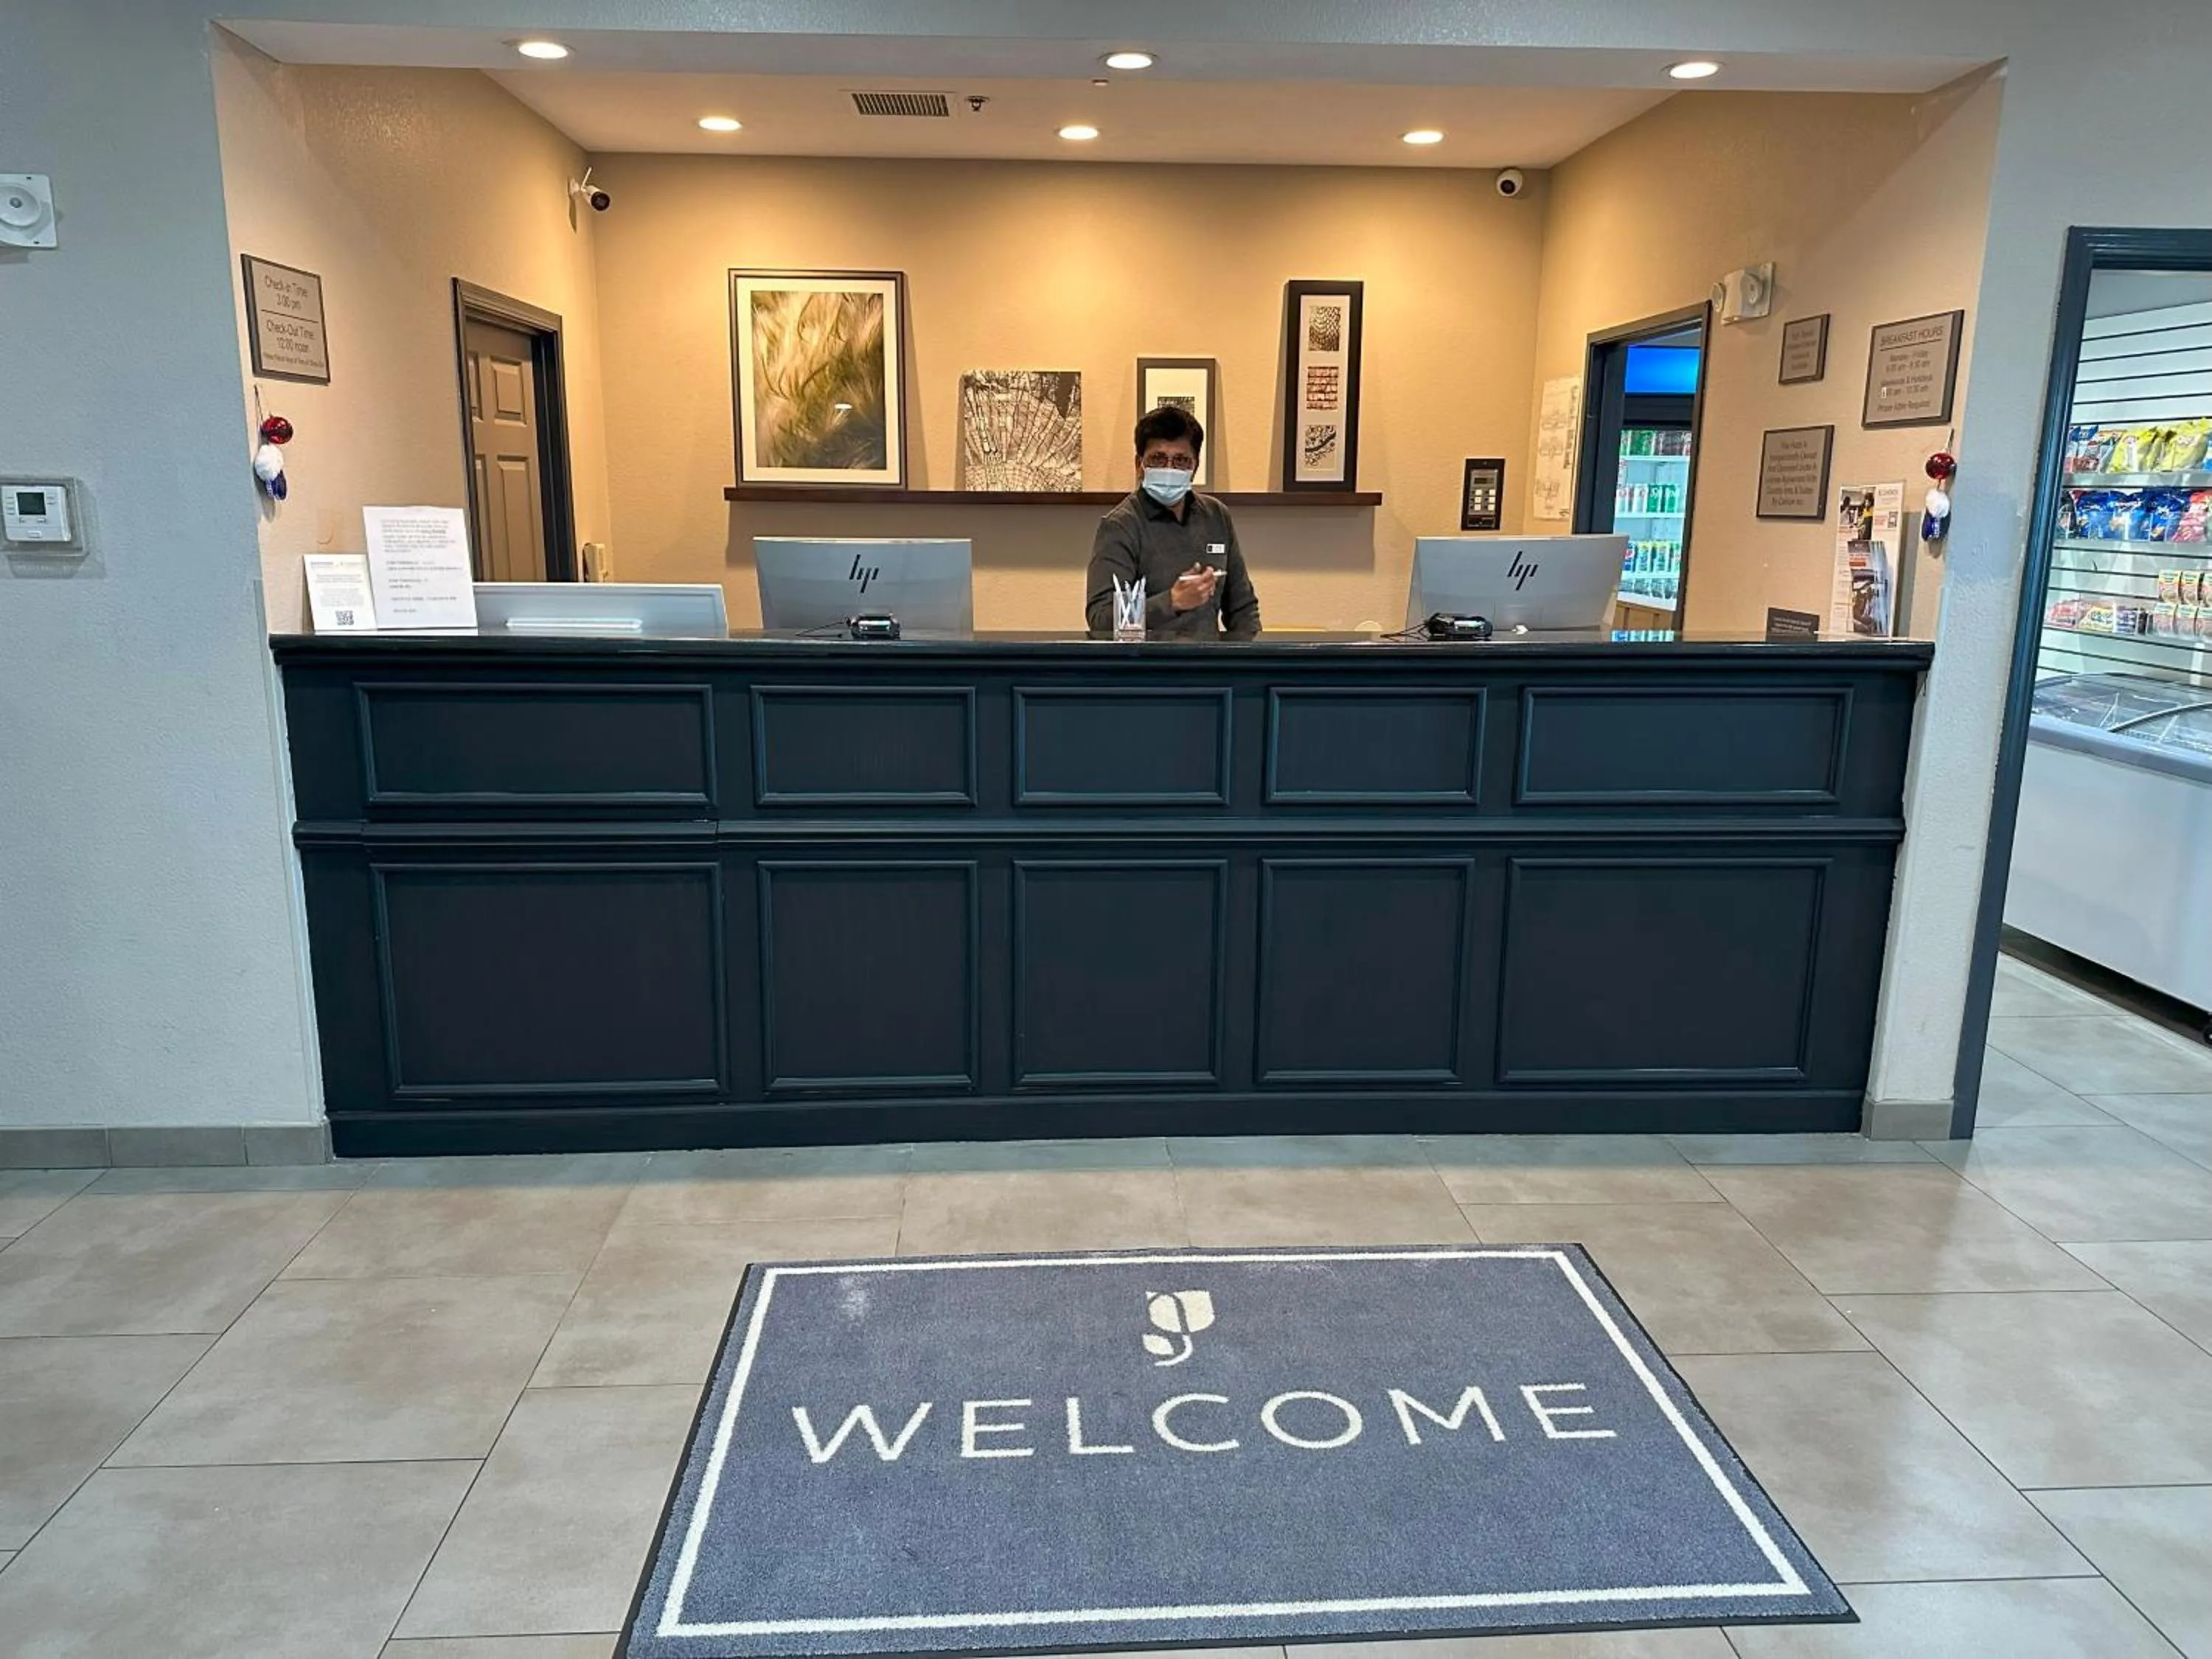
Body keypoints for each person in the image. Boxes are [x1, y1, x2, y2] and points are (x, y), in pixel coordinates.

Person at [1085, 405, 1261, 639]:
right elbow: (1101, 620)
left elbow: (1242, 608)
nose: (1169, 468)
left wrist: (1250, 664)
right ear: (1140, 465)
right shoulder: (1121, 525)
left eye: (1180, 460)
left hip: (1209, 667)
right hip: (1147, 670)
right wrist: (1172, 602)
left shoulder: (1216, 516)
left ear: (1194, 467)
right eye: (1158, 459)